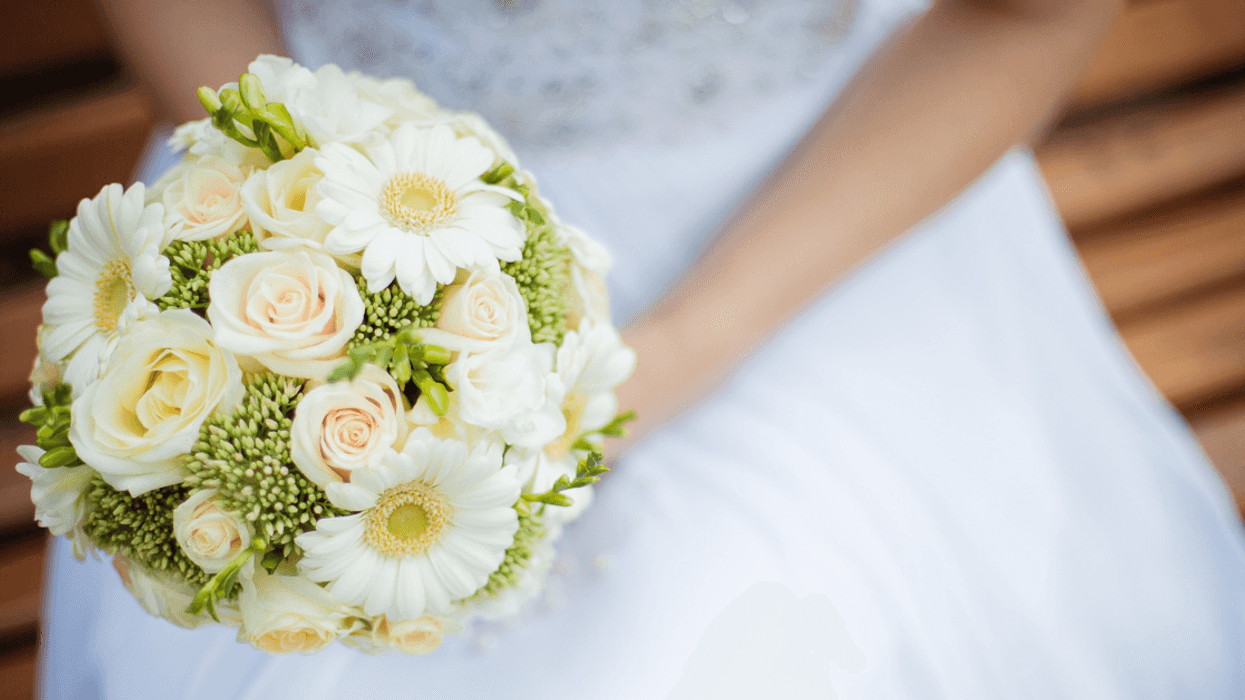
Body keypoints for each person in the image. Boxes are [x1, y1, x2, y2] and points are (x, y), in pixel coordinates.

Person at [41, 0, 1245, 697]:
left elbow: (1030, 16)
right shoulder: (302, 205)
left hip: (815, 202)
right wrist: (307, 202)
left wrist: (670, 350)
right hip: (318, 187)